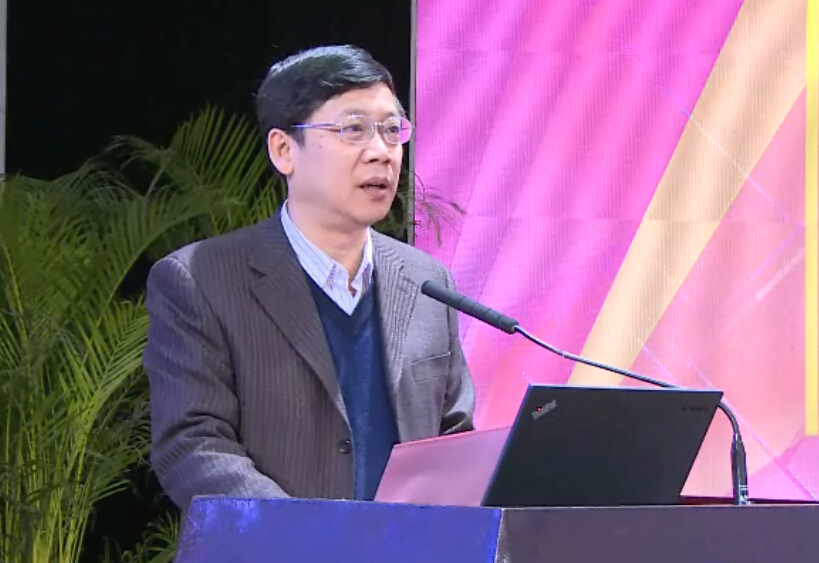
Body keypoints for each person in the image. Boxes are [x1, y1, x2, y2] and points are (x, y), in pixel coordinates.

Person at [142, 44, 476, 513]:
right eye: (353, 129)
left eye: (391, 130)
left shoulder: (426, 281)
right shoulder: (200, 279)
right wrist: (306, 537)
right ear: (284, 150)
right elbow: (194, 445)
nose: (381, 153)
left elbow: (453, 438)